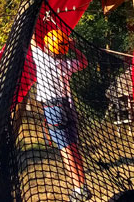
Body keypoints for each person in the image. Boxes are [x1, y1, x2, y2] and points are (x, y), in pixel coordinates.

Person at [32, 29, 91, 202]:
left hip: (53, 109)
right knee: (73, 147)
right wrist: (72, 46)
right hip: (67, 106)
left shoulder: (43, 60)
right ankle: (82, 185)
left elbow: (33, 40)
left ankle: (78, 189)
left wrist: (37, 15)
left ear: (49, 46)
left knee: (66, 151)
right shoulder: (66, 64)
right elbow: (84, 62)